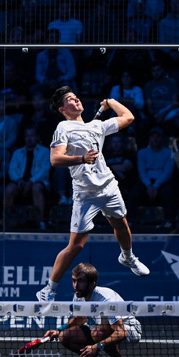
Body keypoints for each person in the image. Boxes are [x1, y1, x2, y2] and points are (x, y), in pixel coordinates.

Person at [36, 86, 150, 302]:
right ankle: (48, 289)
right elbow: (55, 159)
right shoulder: (63, 127)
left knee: (121, 225)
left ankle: (127, 257)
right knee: (76, 245)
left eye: (75, 96)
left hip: (107, 186)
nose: (76, 99)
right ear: (62, 109)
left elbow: (128, 117)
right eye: (70, 99)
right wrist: (81, 159)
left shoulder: (97, 125)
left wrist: (110, 101)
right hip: (85, 193)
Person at [41, 263, 139, 357]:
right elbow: (80, 318)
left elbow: (121, 332)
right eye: (74, 281)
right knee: (65, 336)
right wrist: (59, 330)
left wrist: (98, 346)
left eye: (80, 281)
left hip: (129, 330)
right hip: (100, 329)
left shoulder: (106, 299)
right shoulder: (79, 295)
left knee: (98, 333)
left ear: (92, 283)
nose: (76, 286)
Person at [127, 127, 176, 228]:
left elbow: (168, 172)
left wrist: (156, 186)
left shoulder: (169, 153)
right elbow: (142, 171)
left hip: (162, 181)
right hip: (146, 181)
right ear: (149, 138)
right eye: (153, 137)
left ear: (162, 139)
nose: (155, 139)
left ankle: (169, 221)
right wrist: (149, 185)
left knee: (169, 192)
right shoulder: (142, 153)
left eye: (158, 137)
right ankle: (131, 220)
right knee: (134, 192)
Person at [6, 128, 51, 230]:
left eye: (32, 136)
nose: (29, 139)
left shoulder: (45, 151)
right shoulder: (17, 152)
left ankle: (40, 221)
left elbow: (44, 170)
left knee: (36, 188)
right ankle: (8, 220)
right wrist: (18, 180)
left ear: (37, 137)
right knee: (9, 189)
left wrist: (31, 181)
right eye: (27, 136)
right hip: (20, 182)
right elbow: (12, 169)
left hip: (38, 181)